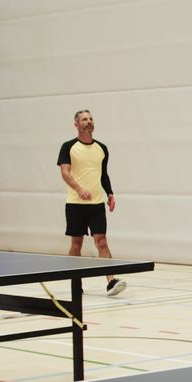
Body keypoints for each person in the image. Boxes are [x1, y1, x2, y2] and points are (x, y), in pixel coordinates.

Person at [57, 109, 126, 296]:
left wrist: (110, 193)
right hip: (75, 204)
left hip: (96, 204)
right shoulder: (68, 147)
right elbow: (65, 172)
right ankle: (75, 282)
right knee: (76, 243)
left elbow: (103, 174)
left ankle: (111, 281)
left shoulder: (102, 148)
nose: (88, 122)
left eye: (90, 119)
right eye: (84, 119)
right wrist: (79, 189)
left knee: (101, 242)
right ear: (77, 125)